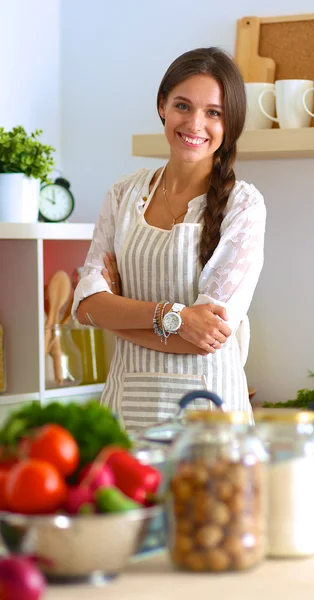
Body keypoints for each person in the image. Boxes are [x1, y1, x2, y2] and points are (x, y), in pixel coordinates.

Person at [72, 46, 266, 434]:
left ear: (230, 124)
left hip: (210, 422)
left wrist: (117, 315)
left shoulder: (243, 205)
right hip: (124, 418)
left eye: (214, 112)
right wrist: (173, 317)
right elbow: (85, 307)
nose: (195, 124)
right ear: (162, 105)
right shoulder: (123, 196)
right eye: (183, 105)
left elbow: (205, 338)